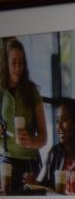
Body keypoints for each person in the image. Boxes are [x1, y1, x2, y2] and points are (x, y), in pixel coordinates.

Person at [0, 38, 47, 189]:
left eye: (21, 63)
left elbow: (44, 136)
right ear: (6, 64)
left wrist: (32, 141)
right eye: (13, 62)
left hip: (29, 160)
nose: (18, 67)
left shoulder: (32, 91)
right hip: (4, 158)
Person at [33, 99, 75, 194]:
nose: (59, 127)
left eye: (64, 120)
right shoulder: (53, 153)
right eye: (57, 121)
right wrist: (34, 183)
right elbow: (42, 185)